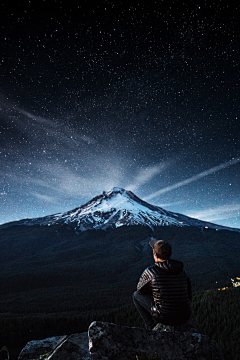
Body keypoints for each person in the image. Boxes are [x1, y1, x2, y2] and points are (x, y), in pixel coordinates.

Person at [133, 238, 192, 330]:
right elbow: (189, 294)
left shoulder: (151, 271)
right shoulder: (182, 270)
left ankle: (150, 328)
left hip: (165, 317)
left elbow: (140, 290)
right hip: (184, 316)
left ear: (155, 255)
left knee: (135, 295)